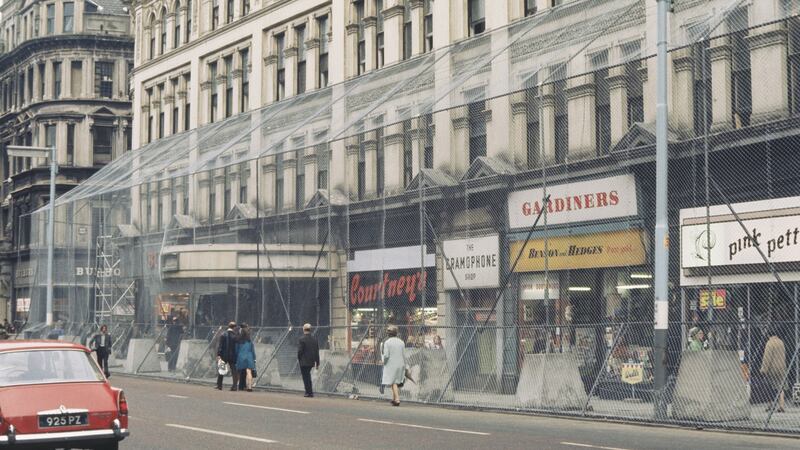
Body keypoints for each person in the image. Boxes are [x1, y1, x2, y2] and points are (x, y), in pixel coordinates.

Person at [760, 329, 787, 412]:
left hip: (772, 369)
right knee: (781, 387)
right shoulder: (781, 342)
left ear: (769, 335)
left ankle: (770, 405)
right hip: (782, 368)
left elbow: (767, 358)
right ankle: (781, 406)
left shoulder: (769, 343)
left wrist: (763, 369)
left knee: (770, 387)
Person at [381, 325, 406, 406]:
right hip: (400, 363)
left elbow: (386, 355)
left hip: (391, 364)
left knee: (393, 381)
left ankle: (397, 399)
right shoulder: (401, 342)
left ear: (388, 334)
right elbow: (403, 354)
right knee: (395, 381)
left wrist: (384, 362)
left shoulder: (387, 343)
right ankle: (394, 399)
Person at [297, 323, 320, 397]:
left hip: (304, 361)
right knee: (308, 376)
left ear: (303, 329)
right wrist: (317, 362)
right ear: (310, 330)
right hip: (311, 361)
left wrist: (299, 358)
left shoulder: (302, 339)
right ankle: (310, 392)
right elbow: (317, 351)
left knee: (306, 377)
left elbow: (300, 351)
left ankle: (308, 392)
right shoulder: (314, 339)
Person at [216, 322, 239, 391]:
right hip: (232, 355)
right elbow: (237, 346)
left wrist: (219, 354)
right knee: (234, 370)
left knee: (221, 369)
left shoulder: (223, 334)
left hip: (224, 355)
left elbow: (220, 346)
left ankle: (219, 385)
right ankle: (234, 386)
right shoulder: (235, 336)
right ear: (234, 327)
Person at [236, 326, 257, 392]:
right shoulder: (250, 341)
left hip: (241, 357)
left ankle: (240, 385)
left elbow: (236, 350)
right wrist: (254, 358)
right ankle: (250, 387)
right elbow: (252, 351)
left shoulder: (239, 341)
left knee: (239, 371)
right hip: (249, 357)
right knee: (249, 372)